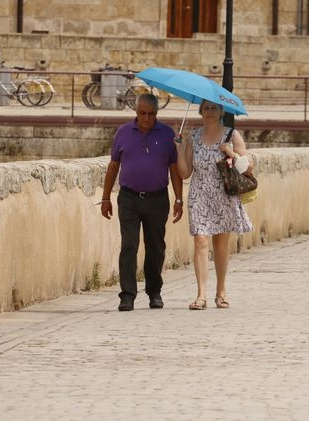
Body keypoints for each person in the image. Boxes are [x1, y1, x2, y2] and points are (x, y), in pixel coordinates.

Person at [100, 93, 183, 311]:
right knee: (129, 245)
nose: (146, 118)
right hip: (129, 198)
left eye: (151, 114)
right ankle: (127, 295)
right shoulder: (123, 132)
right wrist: (106, 197)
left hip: (157, 199)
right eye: (142, 113)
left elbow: (174, 169)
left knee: (155, 247)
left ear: (157, 113)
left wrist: (179, 199)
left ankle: (154, 292)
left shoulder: (167, 135)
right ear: (136, 112)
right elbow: (113, 166)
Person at [175, 100, 253, 310]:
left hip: (223, 195)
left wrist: (231, 153)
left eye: (214, 108)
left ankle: (221, 291)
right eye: (206, 108)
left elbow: (248, 168)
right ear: (200, 111)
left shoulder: (232, 135)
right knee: (200, 240)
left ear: (221, 112)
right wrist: (179, 150)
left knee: (220, 244)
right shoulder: (193, 138)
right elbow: (185, 173)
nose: (210, 111)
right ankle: (201, 295)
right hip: (199, 195)